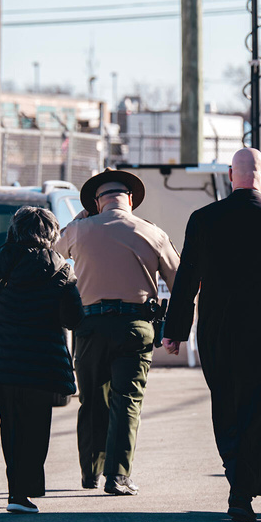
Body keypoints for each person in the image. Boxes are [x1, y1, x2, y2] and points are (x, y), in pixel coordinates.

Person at [162, 148, 261, 522]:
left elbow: (186, 278)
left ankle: (239, 486)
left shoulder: (203, 219)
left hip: (219, 327)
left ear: (232, 176)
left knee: (228, 405)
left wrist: (175, 331)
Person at [55, 169, 179, 496]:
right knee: (127, 400)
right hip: (135, 326)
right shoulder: (153, 233)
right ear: (131, 200)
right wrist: (178, 330)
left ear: (97, 203)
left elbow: (52, 255)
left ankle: (89, 472)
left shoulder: (79, 230)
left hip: (90, 325)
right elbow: (181, 282)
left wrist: (82, 219)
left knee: (92, 398)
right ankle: (118, 476)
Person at [0, 206, 83, 514]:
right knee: (36, 425)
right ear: (51, 233)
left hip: (1, 358)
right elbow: (73, 317)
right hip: (42, 361)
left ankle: (15, 492)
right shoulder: (60, 267)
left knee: (11, 424)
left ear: (14, 229)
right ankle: (27, 488)